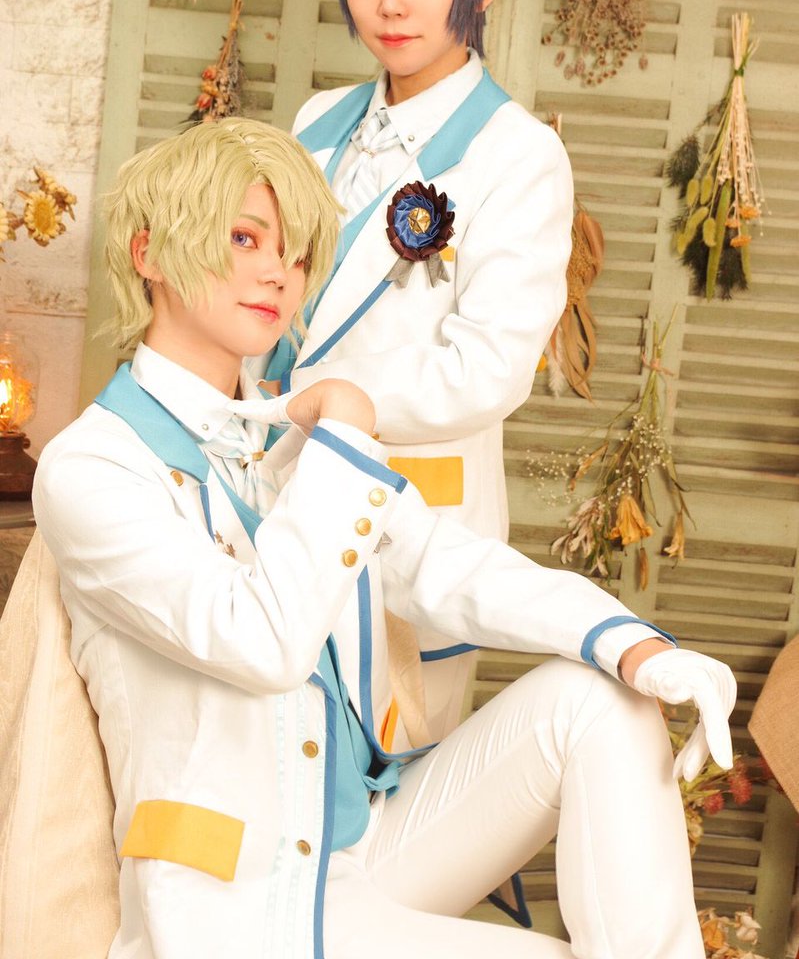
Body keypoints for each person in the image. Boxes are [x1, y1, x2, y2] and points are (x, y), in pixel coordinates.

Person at [26, 118, 737, 959]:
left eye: (294, 254)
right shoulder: (94, 468)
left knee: (600, 696)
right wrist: (343, 428)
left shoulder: (281, 436)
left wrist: (636, 647)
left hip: (360, 857)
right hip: (238, 905)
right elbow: (259, 642)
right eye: (244, 238)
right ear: (148, 253)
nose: (276, 273)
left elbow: (441, 565)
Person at [258, 0, 574, 738]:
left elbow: (488, 369)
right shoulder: (317, 121)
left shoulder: (518, 154)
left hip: (409, 522)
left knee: (386, 779)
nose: (390, 4)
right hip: (275, 508)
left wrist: (329, 401)